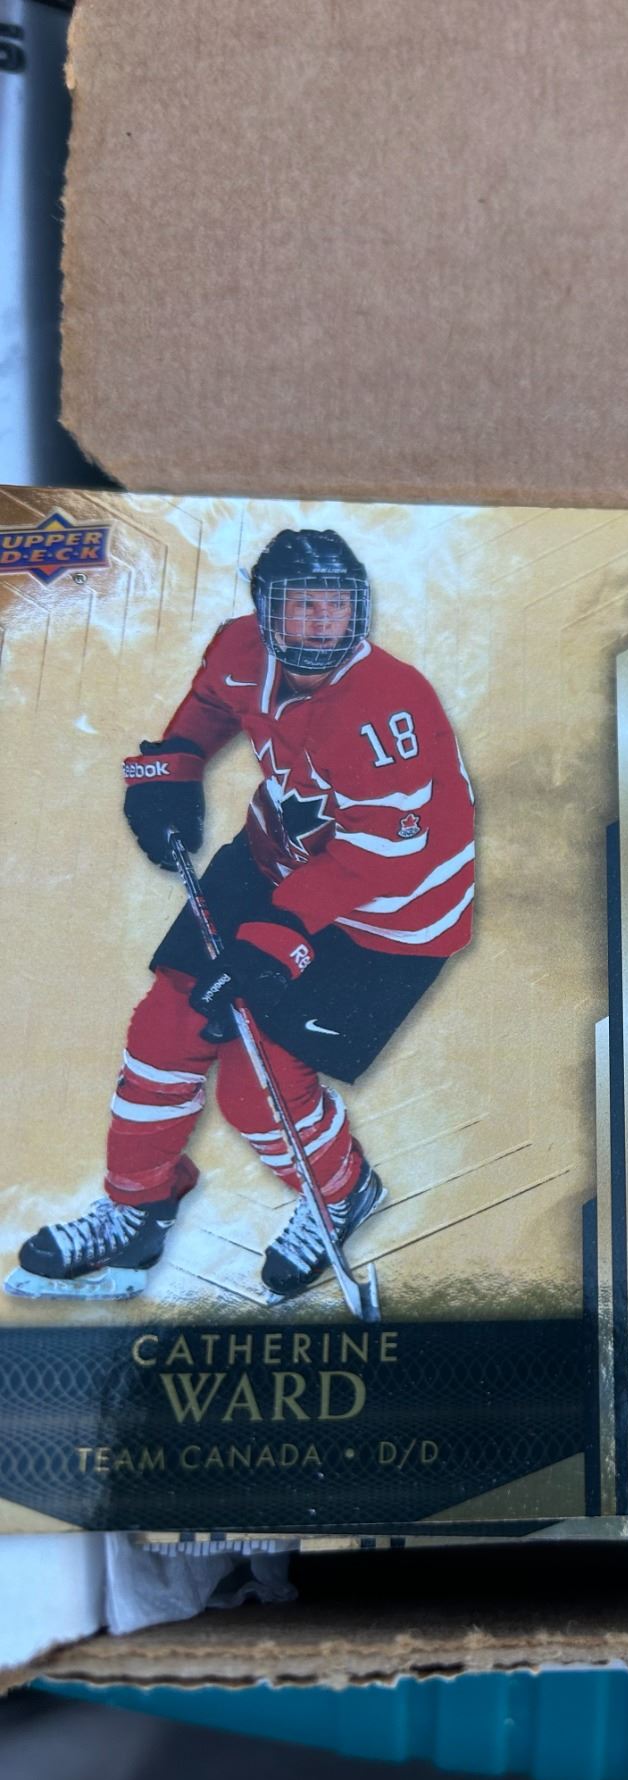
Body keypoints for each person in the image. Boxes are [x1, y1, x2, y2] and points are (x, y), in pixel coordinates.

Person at [9, 528, 475, 1303]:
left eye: (334, 606)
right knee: (165, 1026)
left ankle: (343, 1192)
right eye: (300, 606)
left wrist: (275, 940)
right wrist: (173, 766)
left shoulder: (389, 707)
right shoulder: (238, 649)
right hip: (275, 858)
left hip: (393, 917)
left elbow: (380, 859)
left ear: (358, 610)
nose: (319, 624)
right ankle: (138, 1207)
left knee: (257, 1088)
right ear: (265, 610)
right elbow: (207, 706)